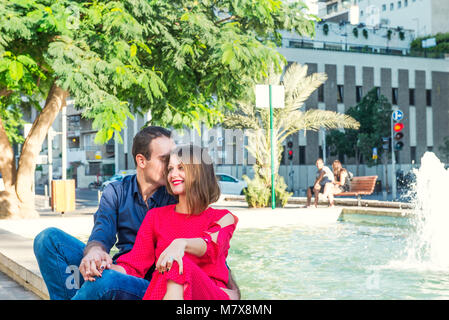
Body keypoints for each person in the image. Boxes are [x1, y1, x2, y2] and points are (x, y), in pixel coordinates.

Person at [33, 126, 240, 300]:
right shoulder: (118, 192)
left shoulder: (182, 198)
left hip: (168, 284)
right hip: (130, 275)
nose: (172, 171)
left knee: (171, 267)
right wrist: (95, 256)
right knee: (48, 239)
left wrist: (233, 291)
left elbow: (214, 250)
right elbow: (106, 235)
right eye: (167, 163)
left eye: (180, 166)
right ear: (142, 161)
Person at [82, 144, 238, 300]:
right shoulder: (155, 216)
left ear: (199, 172)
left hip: (208, 294)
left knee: (176, 264)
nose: (173, 174)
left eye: (181, 168)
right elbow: (134, 265)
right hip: (163, 292)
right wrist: (102, 266)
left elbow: (212, 246)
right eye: (170, 169)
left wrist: (181, 244)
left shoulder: (223, 217)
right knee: (100, 277)